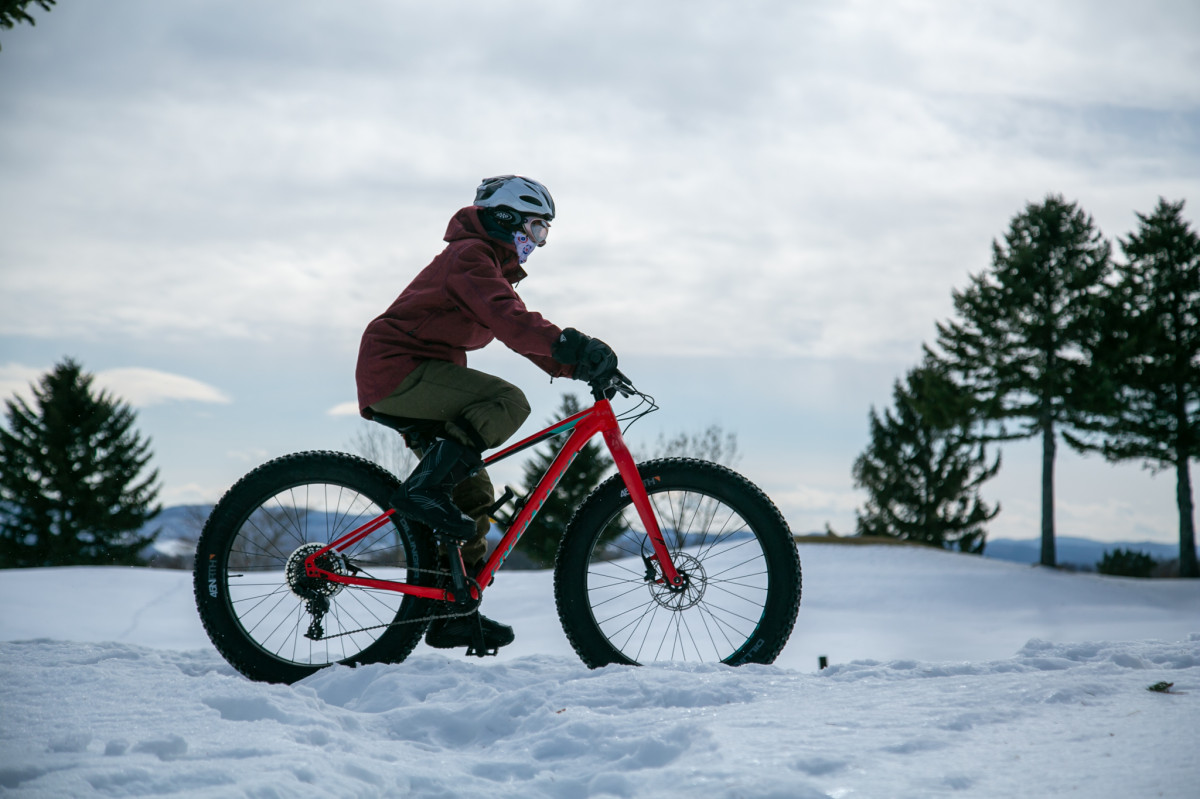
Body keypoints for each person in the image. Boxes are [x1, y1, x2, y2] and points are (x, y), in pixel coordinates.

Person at [355, 175, 617, 653]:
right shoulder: (470, 257)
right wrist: (568, 343)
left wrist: (574, 364)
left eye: (543, 233)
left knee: (472, 493)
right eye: (535, 228)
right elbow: (509, 320)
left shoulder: (487, 266)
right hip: (397, 369)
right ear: (506, 217)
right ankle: (424, 490)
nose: (537, 241)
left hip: (416, 375)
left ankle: (451, 612)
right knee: (507, 401)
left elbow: (516, 329)